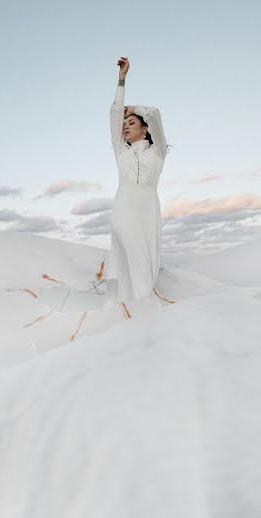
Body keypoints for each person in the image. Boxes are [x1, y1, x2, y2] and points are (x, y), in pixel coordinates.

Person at [96, 56, 171, 320]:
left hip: (148, 206)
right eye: (124, 126)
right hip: (125, 204)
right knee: (131, 249)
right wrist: (122, 80)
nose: (125, 127)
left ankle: (137, 307)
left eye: (131, 124)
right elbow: (114, 113)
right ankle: (143, 308)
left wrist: (135, 108)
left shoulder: (158, 152)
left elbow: (156, 115)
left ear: (145, 129)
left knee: (147, 255)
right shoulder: (121, 151)